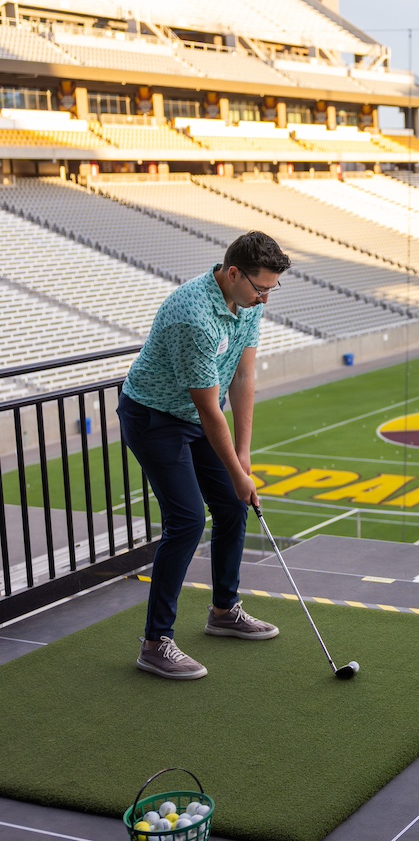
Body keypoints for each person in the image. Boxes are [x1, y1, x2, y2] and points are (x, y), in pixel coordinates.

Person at [119, 231, 291, 680]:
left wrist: (244, 455)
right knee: (188, 520)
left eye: (272, 288)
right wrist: (236, 473)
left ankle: (223, 611)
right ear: (233, 273)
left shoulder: (246, 302)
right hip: (154, 418)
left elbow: (243, 377)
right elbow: (208, 408)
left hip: (193, 416)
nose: (266, 299)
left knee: (233, 506)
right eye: (261, 288)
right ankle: (156, 643)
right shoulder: (193, 317)